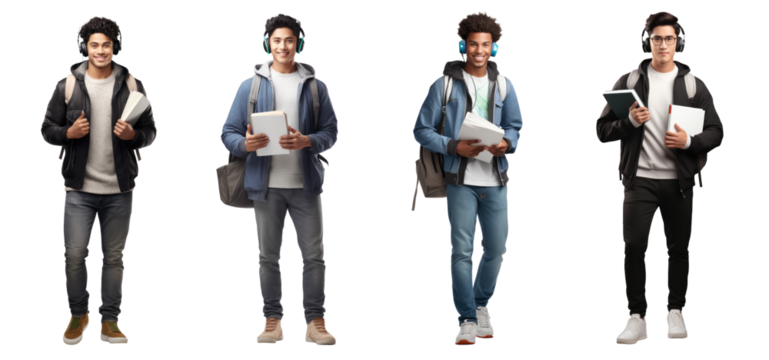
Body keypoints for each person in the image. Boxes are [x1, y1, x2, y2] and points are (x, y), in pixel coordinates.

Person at [594, 11, 725, 345]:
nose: (663, 44)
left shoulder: (694, 84)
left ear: (678, 42)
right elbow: (601, 130)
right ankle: (637, 317)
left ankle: (675, 311)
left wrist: (689, 142)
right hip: (638, 180)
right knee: (634, 245)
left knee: (678, 248)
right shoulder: (628, 81)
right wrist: (629, 124)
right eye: (657, 38)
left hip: (679, 181)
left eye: (669, 38)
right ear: (647, 41)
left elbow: (716, 132)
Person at [218, 13, 340, 346]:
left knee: (314, 255)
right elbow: (227, 133)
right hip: (265, 186)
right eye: (276, 40)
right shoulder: (250, 85)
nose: (282, 46)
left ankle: (316, 321)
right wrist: (245, 144)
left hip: (306, 186)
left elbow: (331, 134)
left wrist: (307, 141)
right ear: (267, 44)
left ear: (298, 45)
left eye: (289, 40)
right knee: (267, 256)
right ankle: (272, 320)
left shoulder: (316, 86)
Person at [39, 14, 158, 346]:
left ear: (115, 47)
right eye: (95, 45)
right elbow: (46, 129)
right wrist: (68, 132)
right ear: (85, 47)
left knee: (114, 257)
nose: (101, 51)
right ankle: (78, 314)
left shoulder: (133, 84)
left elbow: (151, 132)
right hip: (78, 188)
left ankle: (110, 321)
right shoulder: (67, 85)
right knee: (75, 254)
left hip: (120, 188)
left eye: (107, 45)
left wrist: (134, 134)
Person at [412, 10, 524, 346]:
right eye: (473, 44)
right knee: (461, 251)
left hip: (496, 178)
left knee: (497, 249)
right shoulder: (443, 84)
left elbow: (516, 126)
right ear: (464, 44)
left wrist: (508, 142)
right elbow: (420, 130)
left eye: (485, 45)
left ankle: (480, 303)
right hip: (459, 180)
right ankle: (465, 319)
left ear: (494, 47)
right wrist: (453, 146)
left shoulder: (505, 85)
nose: (479, 51)